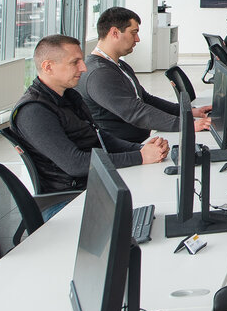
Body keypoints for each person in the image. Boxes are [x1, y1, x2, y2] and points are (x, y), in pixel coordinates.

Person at [10, 35, 169, 202]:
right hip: (72, 199)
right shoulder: (34, 111)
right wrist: (140, 157)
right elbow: (76, 164)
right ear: (48, 67)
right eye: (75, 62)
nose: (83, 67)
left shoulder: (69, 95)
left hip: (95, 182)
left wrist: (141, 149)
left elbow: (99, 137)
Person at [78, 7, 211, 144]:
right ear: (115, 33)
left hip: (141, 143)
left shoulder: (119, 65)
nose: (137, 39)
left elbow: (145, 99)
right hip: (124, 149)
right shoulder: (99, 73)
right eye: (134, 33)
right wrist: (186, 125)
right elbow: (134, 112)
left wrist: (188, 112)